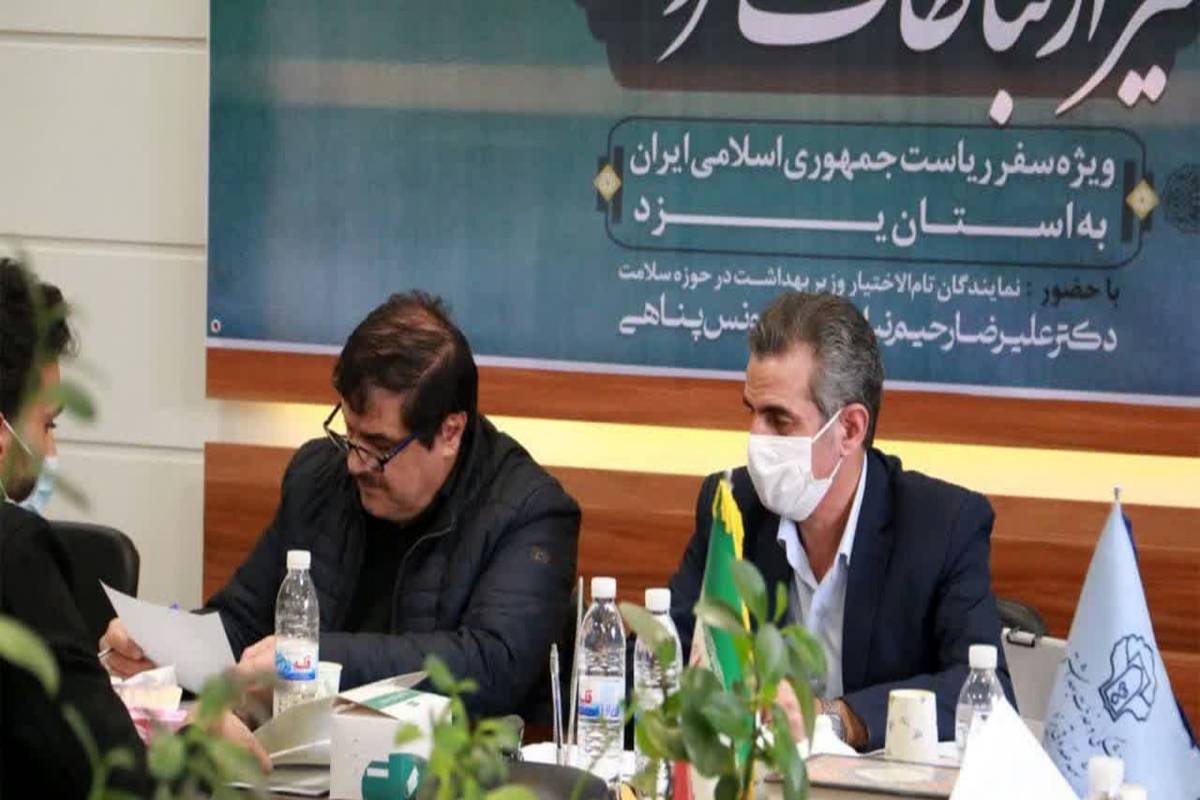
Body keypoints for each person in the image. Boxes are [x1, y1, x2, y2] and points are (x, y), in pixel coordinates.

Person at [103, 292, 581, 716]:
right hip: (302, 763)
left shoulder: (529, 512)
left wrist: (312, 659)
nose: (355, 463)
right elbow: (243, 624)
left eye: (378, 446)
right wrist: (163, 648)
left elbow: (491, 667)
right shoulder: (319, 477)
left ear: (450, 432)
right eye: (349, 433)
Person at [668, 292, 1016, 751]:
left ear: (849, 429)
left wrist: (839, 718)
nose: (755, 438)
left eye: (779, 420)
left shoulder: (942, 526)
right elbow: (664, 657)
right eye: (752, 412)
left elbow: (985, 694)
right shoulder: (731, 506)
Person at [0, 258, 268, 797]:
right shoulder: (15, 553)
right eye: (47, 424)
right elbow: (113, 778)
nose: (51, 450)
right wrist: (200, 742)